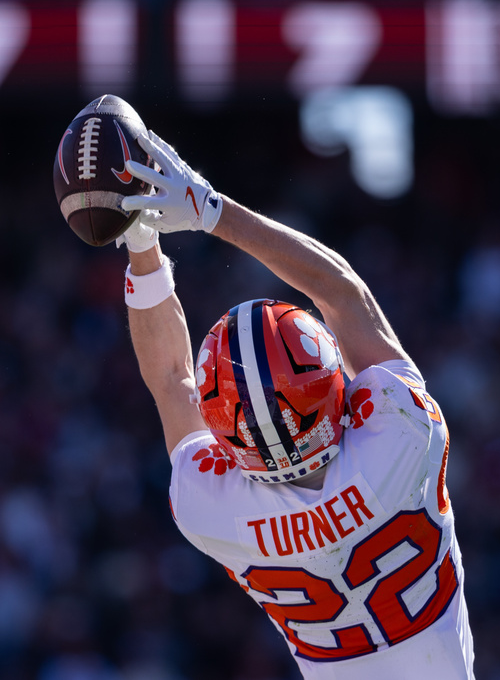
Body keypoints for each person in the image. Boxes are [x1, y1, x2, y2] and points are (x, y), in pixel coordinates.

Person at [113, 129, 475, 679]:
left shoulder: (214, 511)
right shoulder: (402, 437)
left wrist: (141, 242)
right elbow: (341, 292)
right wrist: (210, 210)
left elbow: (171, 381)